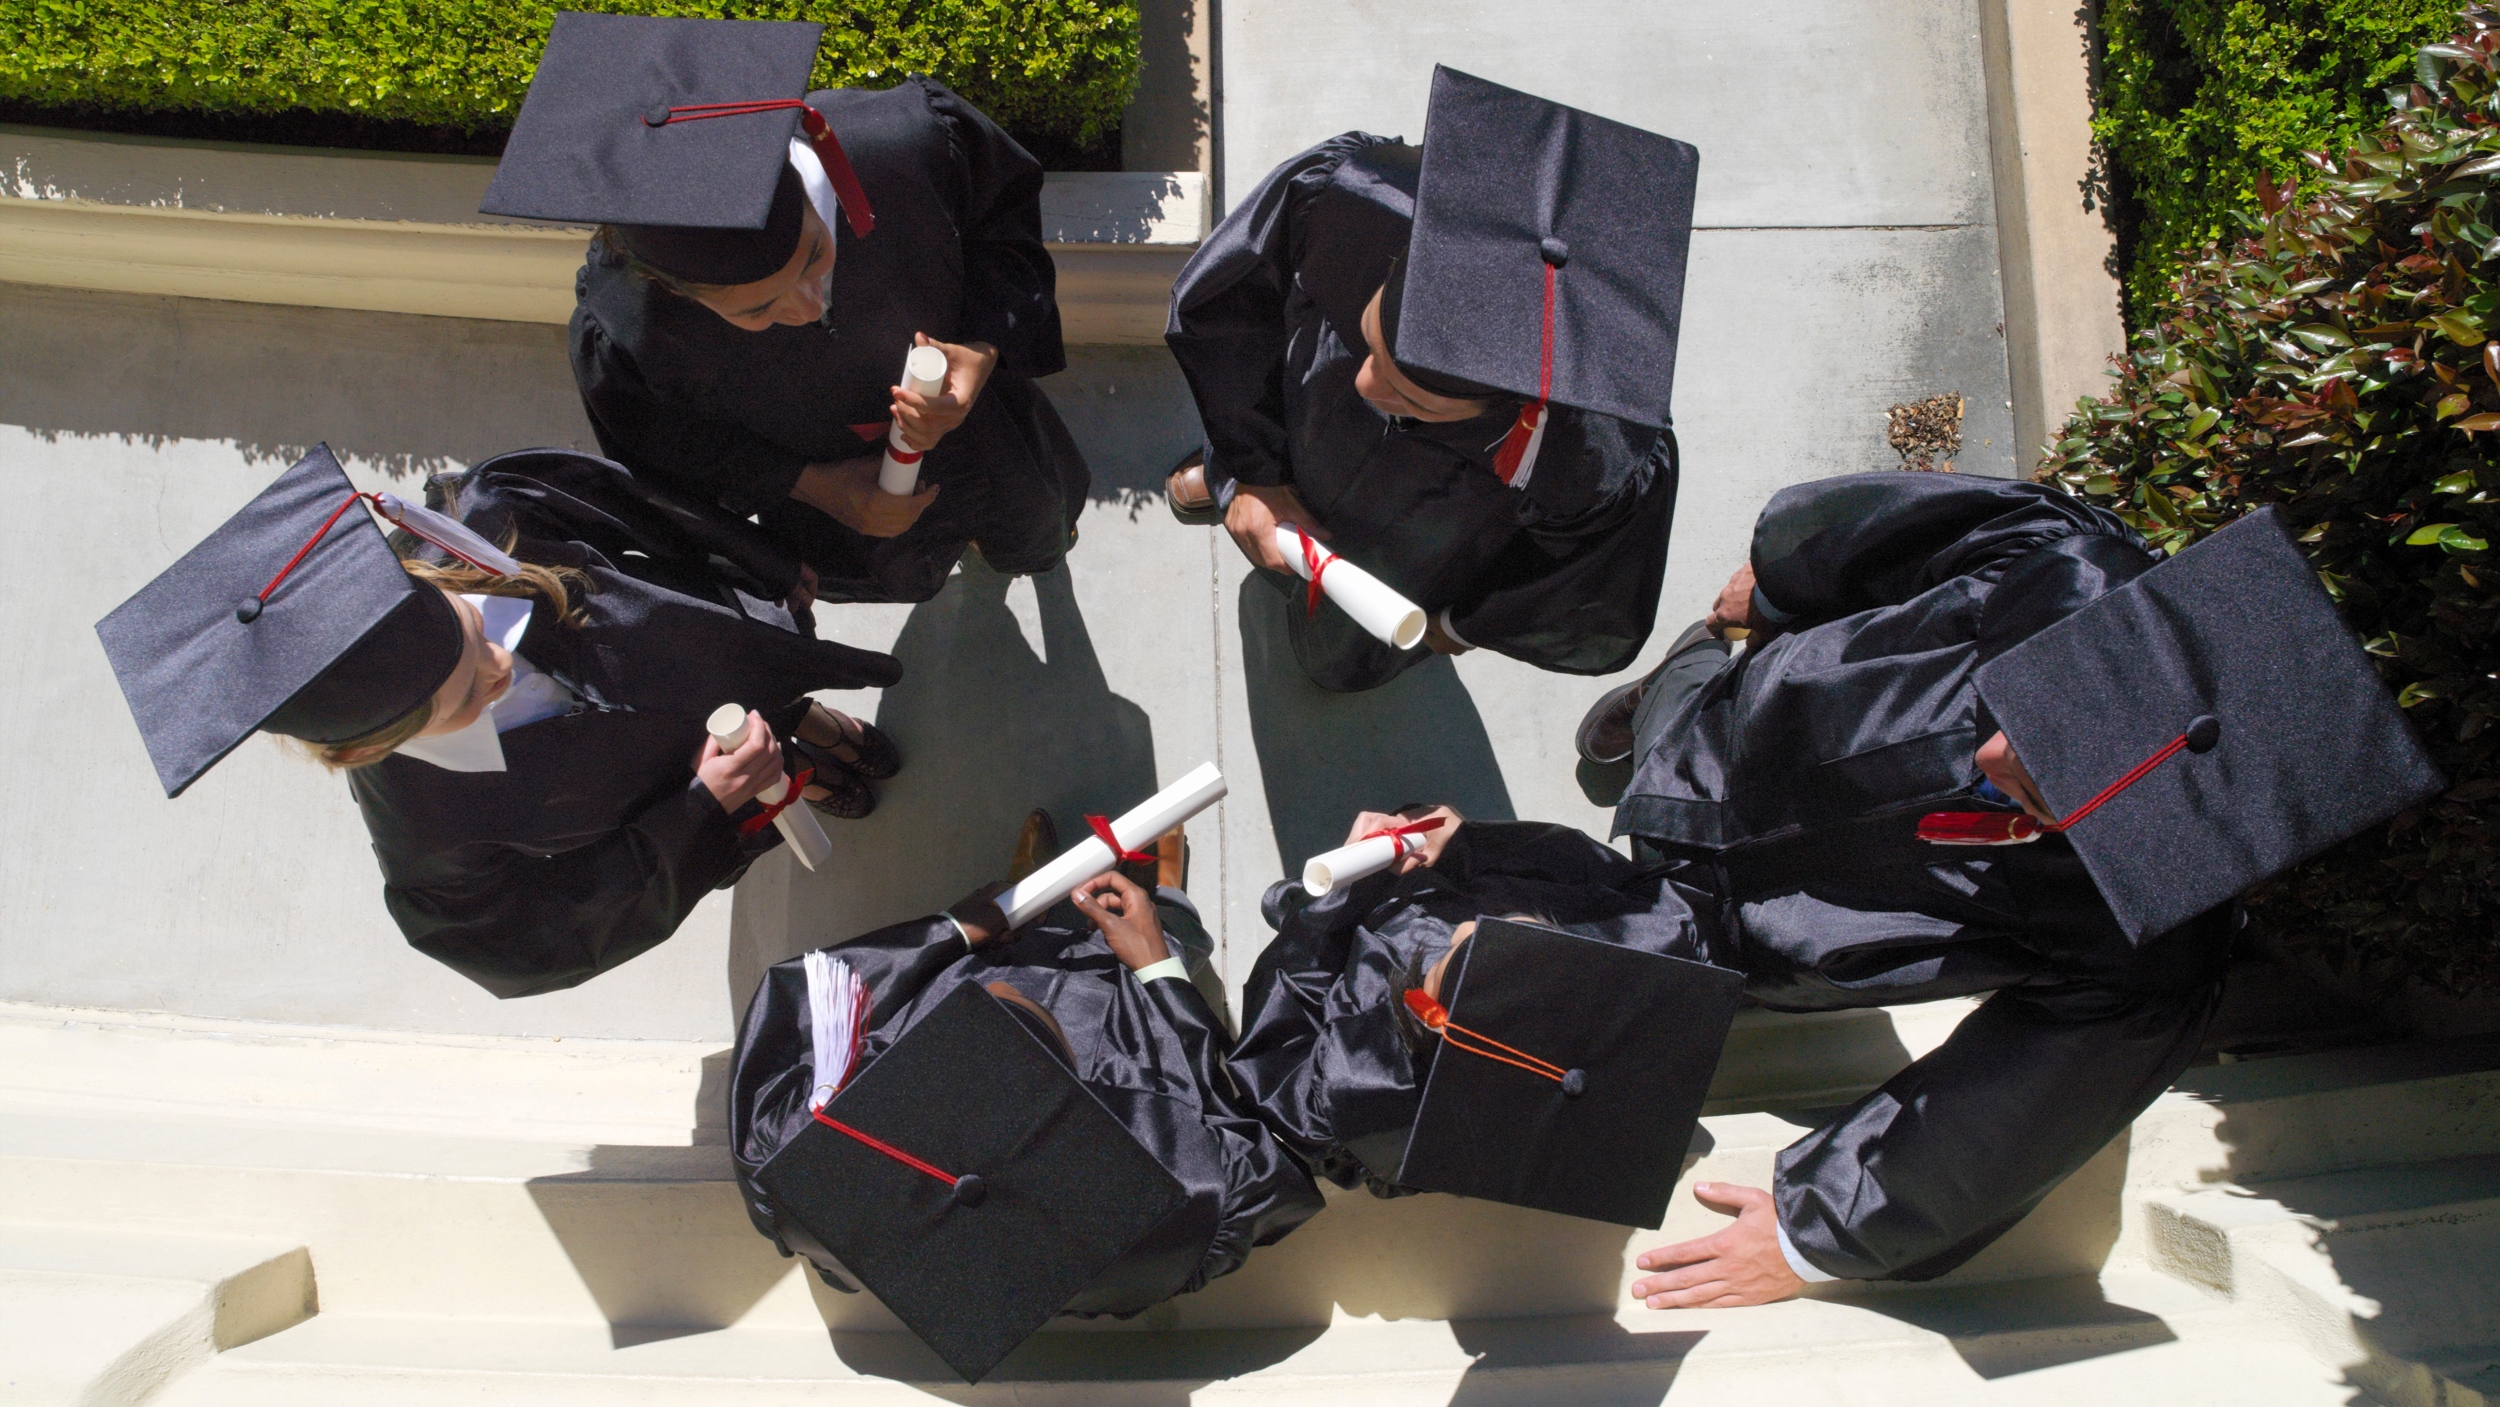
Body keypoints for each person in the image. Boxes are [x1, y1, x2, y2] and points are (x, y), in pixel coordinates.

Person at [1571, 471, 2444, 1306]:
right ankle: (1671, 684)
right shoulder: (2059, 560)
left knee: (1567, 937)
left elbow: (2001, 1118)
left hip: (1758, 928)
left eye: (2043, 790)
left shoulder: (2150, 956)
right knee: (1688, 696)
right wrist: (1779, 589)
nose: (1995, 759)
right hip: (1757, 717)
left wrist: (1810, 1233)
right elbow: (1876, 534)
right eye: (2029, 723)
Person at [96, 444, 903, 998]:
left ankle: (804, 719)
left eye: (475, 633)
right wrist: (698, 808)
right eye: (463, 699)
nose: (500, 669)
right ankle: (799, 773)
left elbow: (648, 508)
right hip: (672, 782)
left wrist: (759, 563)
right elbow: (529, 941)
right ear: (374, 745)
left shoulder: (494, 517)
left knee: (768, 686)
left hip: (706, 644)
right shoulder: (424, 832)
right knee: (766, 780)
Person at [481, 11, 1088, 605]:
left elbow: (1002, 225)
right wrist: (815, 487)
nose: (805, 307)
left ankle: (1019, 547)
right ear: (672, 291)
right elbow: (673, 453)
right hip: (831, 489)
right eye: (757, 310)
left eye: (815, 254)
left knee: (1031, 519)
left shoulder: (907, 145)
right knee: (895, 563)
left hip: (984, 429)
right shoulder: (629, 335)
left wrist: (984, 344)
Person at [729, 814, 1324, 1381]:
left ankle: (1022, 903)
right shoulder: (1185, 1199)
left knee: (988, 950)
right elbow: (1234, 1106)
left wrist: (952, 931)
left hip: (943, 1040)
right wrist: (1157, 966)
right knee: (1175, 948)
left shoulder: (796, 1175)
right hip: (1130, 1037)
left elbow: (802, 1003)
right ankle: (1169, 894)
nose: (1013, 992)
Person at [1164, 66, 1697, 691]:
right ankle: (1237, 476)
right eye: (1370, 341)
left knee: (1342, 642)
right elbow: (1232, 306)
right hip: (1307, 422)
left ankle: (1331, 650)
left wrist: (1460, 625)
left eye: (1410, 396)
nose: (1365, 385)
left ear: (1521, 408)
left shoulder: (1598, 457)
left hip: (1421, 534)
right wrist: (1255, 471)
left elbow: (1576, 593)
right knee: (1261, 436)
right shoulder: (1356, 198)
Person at [1231, 805, 1739, 1228]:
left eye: (1448, 968)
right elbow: (1582, 865)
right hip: (1440, 870)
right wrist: (1468, 844)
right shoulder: (1656, 945)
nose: (1465, 927)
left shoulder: (1354, 1088)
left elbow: (1286, 996)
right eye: (1523, 930)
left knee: (1296, 906)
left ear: (1427, 1014)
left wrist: (1347, 891)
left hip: (1357, 929)